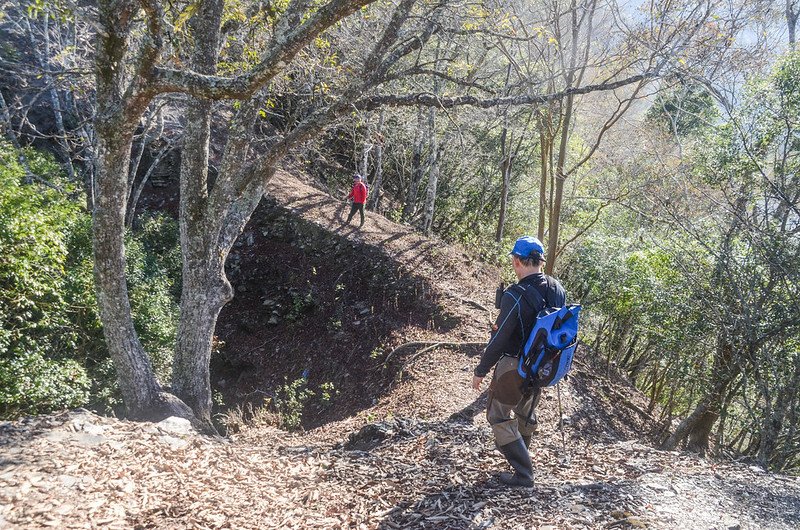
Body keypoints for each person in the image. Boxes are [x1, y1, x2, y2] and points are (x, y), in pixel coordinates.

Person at [472, 236, 566, 487]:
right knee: (525, 412)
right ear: (539, 261)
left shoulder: (514, 295)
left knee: (497, 415)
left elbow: (500, 338)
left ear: (516, 261)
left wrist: (481, 369)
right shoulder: (558, 289)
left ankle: (524, 473)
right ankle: (521, 456)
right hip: (544, 366)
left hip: (514, 367)